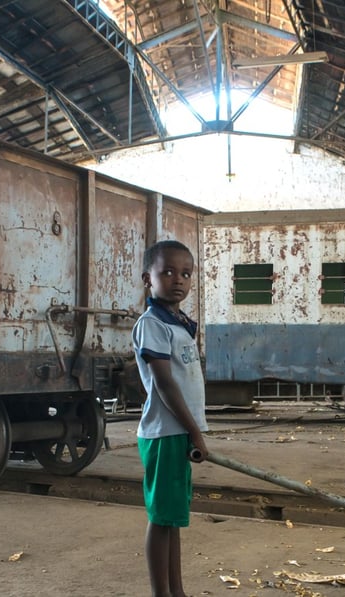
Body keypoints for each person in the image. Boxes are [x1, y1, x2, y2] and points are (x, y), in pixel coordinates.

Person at [132, 239, 209, 597]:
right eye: (167, 272)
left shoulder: (177, 323)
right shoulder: (152, 325)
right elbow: (164, 384)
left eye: (186, 273)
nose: (178, 279)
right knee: (161, 519)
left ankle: (176, 591)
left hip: (176, 432)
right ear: (148, 278)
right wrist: (195, 432)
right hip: (165, 433)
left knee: (172, 519)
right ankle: (161, 593)